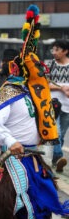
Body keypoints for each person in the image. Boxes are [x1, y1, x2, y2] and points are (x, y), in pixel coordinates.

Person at [0, 5, 69, 219]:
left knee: (38, 204)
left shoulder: (40, 95)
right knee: (6, 204)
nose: (41, 73)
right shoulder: (10, 92)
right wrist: (9, 140)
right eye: (37, 69)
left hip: (34, 158)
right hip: (11, 159)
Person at [49, 39, 69, 172]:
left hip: (68, 107)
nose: (54, 52)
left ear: (65, 51)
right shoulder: (50, 65)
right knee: (55, 132)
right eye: (53, 50)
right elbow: (46, 84)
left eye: (57, 50)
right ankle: (58, 156)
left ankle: (56, 160)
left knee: (61, 135)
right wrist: (61, 88)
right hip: (53, 105)